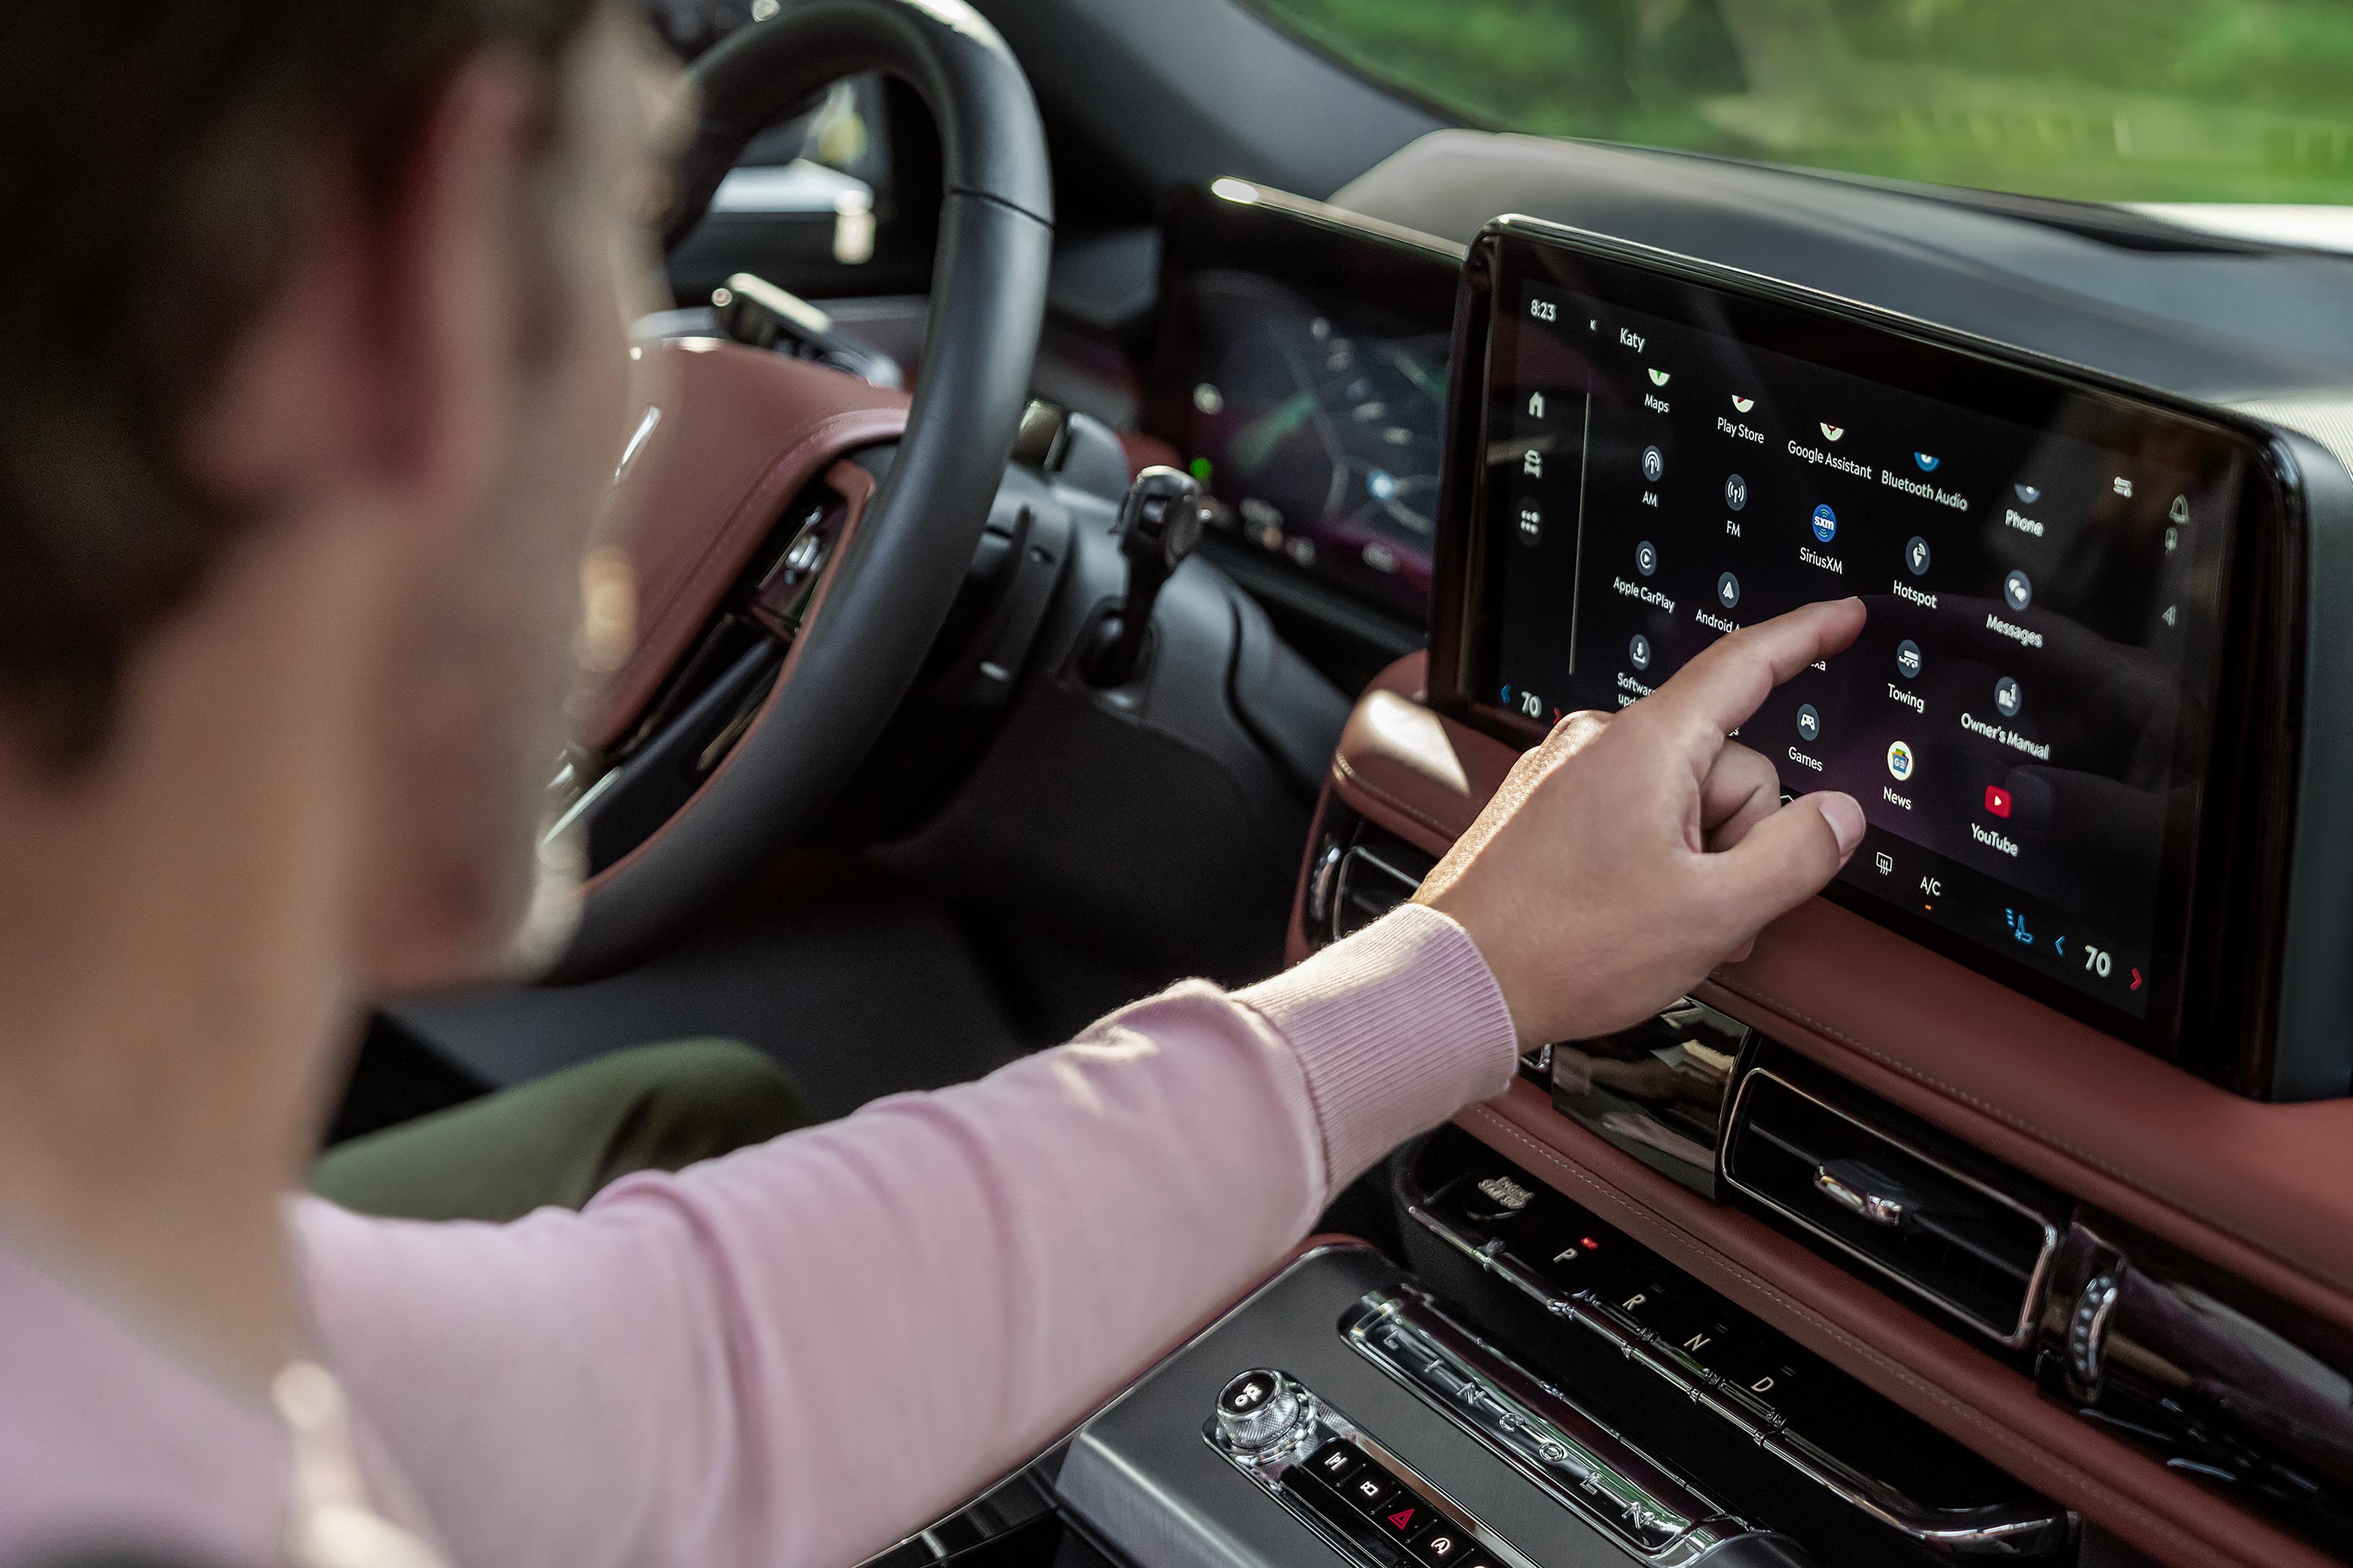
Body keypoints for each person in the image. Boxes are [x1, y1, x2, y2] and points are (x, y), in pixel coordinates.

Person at [0, 3, 1868, 1565]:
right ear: (411, 281)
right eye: (616, 239)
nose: (643, 402)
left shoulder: (165, 1321)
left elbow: (689, 1381)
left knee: (699, 1106)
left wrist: (1461, 971)